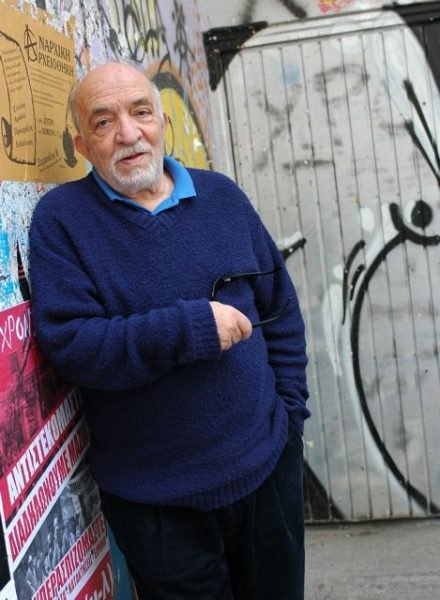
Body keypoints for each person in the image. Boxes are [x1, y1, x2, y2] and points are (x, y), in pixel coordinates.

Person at [29, 62, 310, 600]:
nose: (128, 133)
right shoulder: (61, 221)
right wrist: (192, 327)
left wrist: (290, 420)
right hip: (155, 504)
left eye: (140, 112)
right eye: (103, 122)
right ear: (82, 145)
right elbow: (73, 346)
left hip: (267, 469)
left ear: (162, 122)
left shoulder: (222, 197)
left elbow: (281, 312)